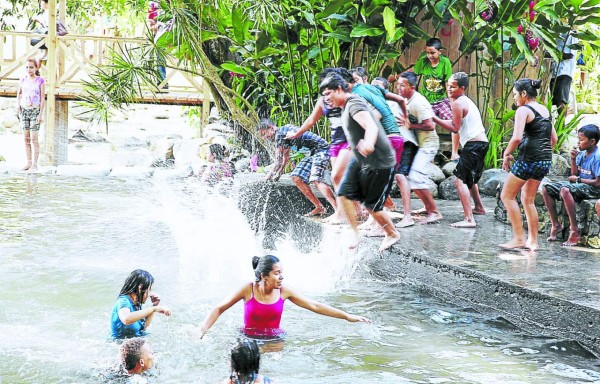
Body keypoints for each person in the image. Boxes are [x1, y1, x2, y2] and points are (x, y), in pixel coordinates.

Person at [320, 73, 401, 251]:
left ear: (339, 89)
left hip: (379, 160)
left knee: (371, 204)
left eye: (328, 94)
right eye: (323, 96)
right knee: (343, 193)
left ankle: (392, 233)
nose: (326, 100)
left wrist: (369, 142)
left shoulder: (354, 103)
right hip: (361, 158)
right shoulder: (346, 105)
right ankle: (356, 234)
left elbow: (371, 126)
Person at [199, 255, 370, 339]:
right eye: (277, 273)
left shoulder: (284, 291)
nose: (281, 277)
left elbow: (315, 306)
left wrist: (348, 316)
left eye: (282, 273)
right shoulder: (248, 289)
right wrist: (201, 331)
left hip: (275, 340)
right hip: (248, 339)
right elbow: (219, 308)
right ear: (264, 276)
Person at [285, 68, 351, 224]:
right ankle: (341, 212)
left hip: (349, 140)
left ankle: (359, 211)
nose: (326, 94)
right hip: (336, 141)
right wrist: (296, 134)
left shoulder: (349, 98)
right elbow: (311, 120)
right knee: (337, 178)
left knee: (345, 177)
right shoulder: (323, 101)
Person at [500, 79, 557, 251]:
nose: (515, 98)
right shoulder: (544, 110)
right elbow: (553, 138)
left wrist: (506, 154)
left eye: (515, 94)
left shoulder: (523, 110)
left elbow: (517, 137)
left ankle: (518, 238)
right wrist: (543, 155)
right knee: (528, 199)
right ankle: (533, 241)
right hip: (544, 159)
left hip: (528, 159)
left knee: (507, 196)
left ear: (524, 94)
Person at [433, 72, 489, 228]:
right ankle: (479, 207)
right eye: (448, 85)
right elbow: (456, 129)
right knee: (469, 179)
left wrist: (434, 118)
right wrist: (454, 151)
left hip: (474, 145)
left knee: (460, 180)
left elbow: (454, 127)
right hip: (482, 143)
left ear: (462, 88)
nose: (449, 89)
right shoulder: (463, 101)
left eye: (453, 86)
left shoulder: (458, 103)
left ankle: (469, 219)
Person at [258, 119, 338, 218]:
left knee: (315, 179)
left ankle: (338, 211)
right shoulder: (283, 133)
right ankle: (319, 207)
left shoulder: (279, 134)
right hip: (312, 153)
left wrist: (268, 177)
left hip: (321, 149)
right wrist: (278, 173)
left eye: (264, 134)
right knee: (296, 177)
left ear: (271, 128)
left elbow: (278, 161)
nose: (264, 137)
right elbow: (285, 158)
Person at [394, 72, 443, 227]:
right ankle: (427, 207)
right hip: (419, 144)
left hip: (428, 144)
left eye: (402, 85)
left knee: (415, 178)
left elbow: (431, 125)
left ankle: (434, 212)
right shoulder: (405, 100)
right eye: (398, 85)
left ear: (412, 87)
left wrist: (411, 125)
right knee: (415, 178)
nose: (399, 88)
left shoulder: (418, 102)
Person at [543, 124, 600, 246]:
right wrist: (573, 159)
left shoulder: (597, 156)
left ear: (592, 141)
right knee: (547, 188)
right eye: (578, 139)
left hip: (595, 189)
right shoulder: (582, 154)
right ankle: (556, 224)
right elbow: (574, 174)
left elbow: (598, 182)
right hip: (582, 185)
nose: (578, 143)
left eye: (581, 140)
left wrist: (578, 180)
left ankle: (574, 230)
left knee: (565, 190)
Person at [412, 38, 457, 159]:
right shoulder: (423, 62)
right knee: (428, 128)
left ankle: (454, 152)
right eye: (427, 52)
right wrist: (396, 76)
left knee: (454, 122)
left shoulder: (445, 62)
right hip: (426, 102)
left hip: (441, 100)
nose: (429, 55)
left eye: (432, 53)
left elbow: (448, 82)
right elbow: (413, 72)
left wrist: (452, 101)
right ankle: (430, 158)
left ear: (440, 52)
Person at [110, 269, 171, 339]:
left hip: (135, 342)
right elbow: (126, 319)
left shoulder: (136, 304)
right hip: (122, 345)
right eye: (148, 290)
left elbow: (144, 327)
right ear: (140, 288)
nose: (149, 294)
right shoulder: (123, 301)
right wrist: (154, 309)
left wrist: (154, 306)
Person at [16, 58, 45, 172]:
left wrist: (40, 115)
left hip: (35, 111)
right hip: (24, 111)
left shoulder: (40, 80)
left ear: (36, 68)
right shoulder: (23, 79)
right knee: (26, 138)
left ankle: (35, 163)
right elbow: (19, 93)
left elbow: (43, 98)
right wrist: (17, 105)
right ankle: (28, 162)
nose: (29, 69)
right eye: (27, 67)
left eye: (31, 67)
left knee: (34, 138)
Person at [550, 32, 578, 115]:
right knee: (554, 99)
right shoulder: (554, 31)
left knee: (561, 100)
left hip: (564, 72)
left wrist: (551, 54)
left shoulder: (569, 34)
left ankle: (562, 125)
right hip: (554, 73)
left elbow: (569, 55)